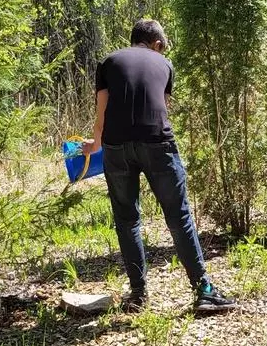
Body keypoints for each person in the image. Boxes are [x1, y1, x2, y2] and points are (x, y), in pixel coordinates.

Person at [81, 19, 236, 313]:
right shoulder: (164, 64)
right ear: (158, 44)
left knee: (127, 222)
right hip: (157, 143)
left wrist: (94, 146)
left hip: (116, 146)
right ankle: (203, 290)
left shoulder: (108, 62)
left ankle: (138, 295)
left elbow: (101, 114)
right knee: (178, 216)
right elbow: (161, 108)